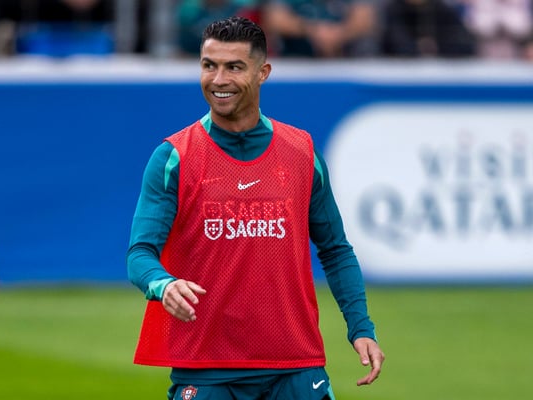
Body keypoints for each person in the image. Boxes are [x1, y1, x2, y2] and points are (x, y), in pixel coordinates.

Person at [127, 16, 384, 400]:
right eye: (209, 65)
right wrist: (163, 285)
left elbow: (335, 249)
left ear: (263, 72)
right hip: (207, 369)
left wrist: (360, 327)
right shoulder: (173, 157)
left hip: (295, 365)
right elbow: (140, 253)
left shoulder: (301, 152)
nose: (218, 80)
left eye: (234, 67)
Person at [261, 0, 378, 58]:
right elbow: (274, 19)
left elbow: (365, 19)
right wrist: (313, 31)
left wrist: (339, 34)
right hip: (296, 62)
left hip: (348, 62)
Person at [381, 0, 476, 58]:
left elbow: (465, 44)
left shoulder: (441, 8)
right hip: (401, 74)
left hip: (441, 74)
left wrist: (436, 47)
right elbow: (394, 45)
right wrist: (417, 47)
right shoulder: (393, 9)